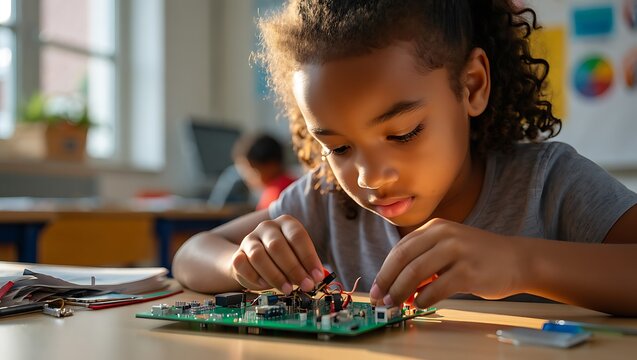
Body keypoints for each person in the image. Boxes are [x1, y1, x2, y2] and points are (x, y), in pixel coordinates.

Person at [173, 0, 637, 316]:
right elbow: (191, 255)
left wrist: (521, 263)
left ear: (471, 86)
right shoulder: (327, 201)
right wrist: (244, 263)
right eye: (338, 147)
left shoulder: (547, 182)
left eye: (403, 132)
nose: (371, 177)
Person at [232, 133, 297, 210]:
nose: (246, 176)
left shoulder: (276, 193)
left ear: (271, 165)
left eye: (250, 169)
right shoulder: (293, 184)